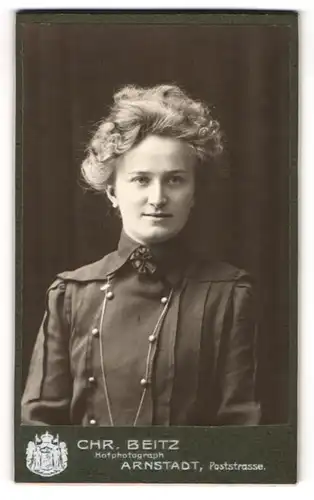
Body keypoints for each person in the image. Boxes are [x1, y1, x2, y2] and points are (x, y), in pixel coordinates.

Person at [21, 84, 260, 426]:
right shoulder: (71, 294)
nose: (158, 197)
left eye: (175, 180)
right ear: (112, 192)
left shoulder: (230, 295)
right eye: (140, 180)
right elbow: (38, 430)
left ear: (194, 192)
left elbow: (243, 434)